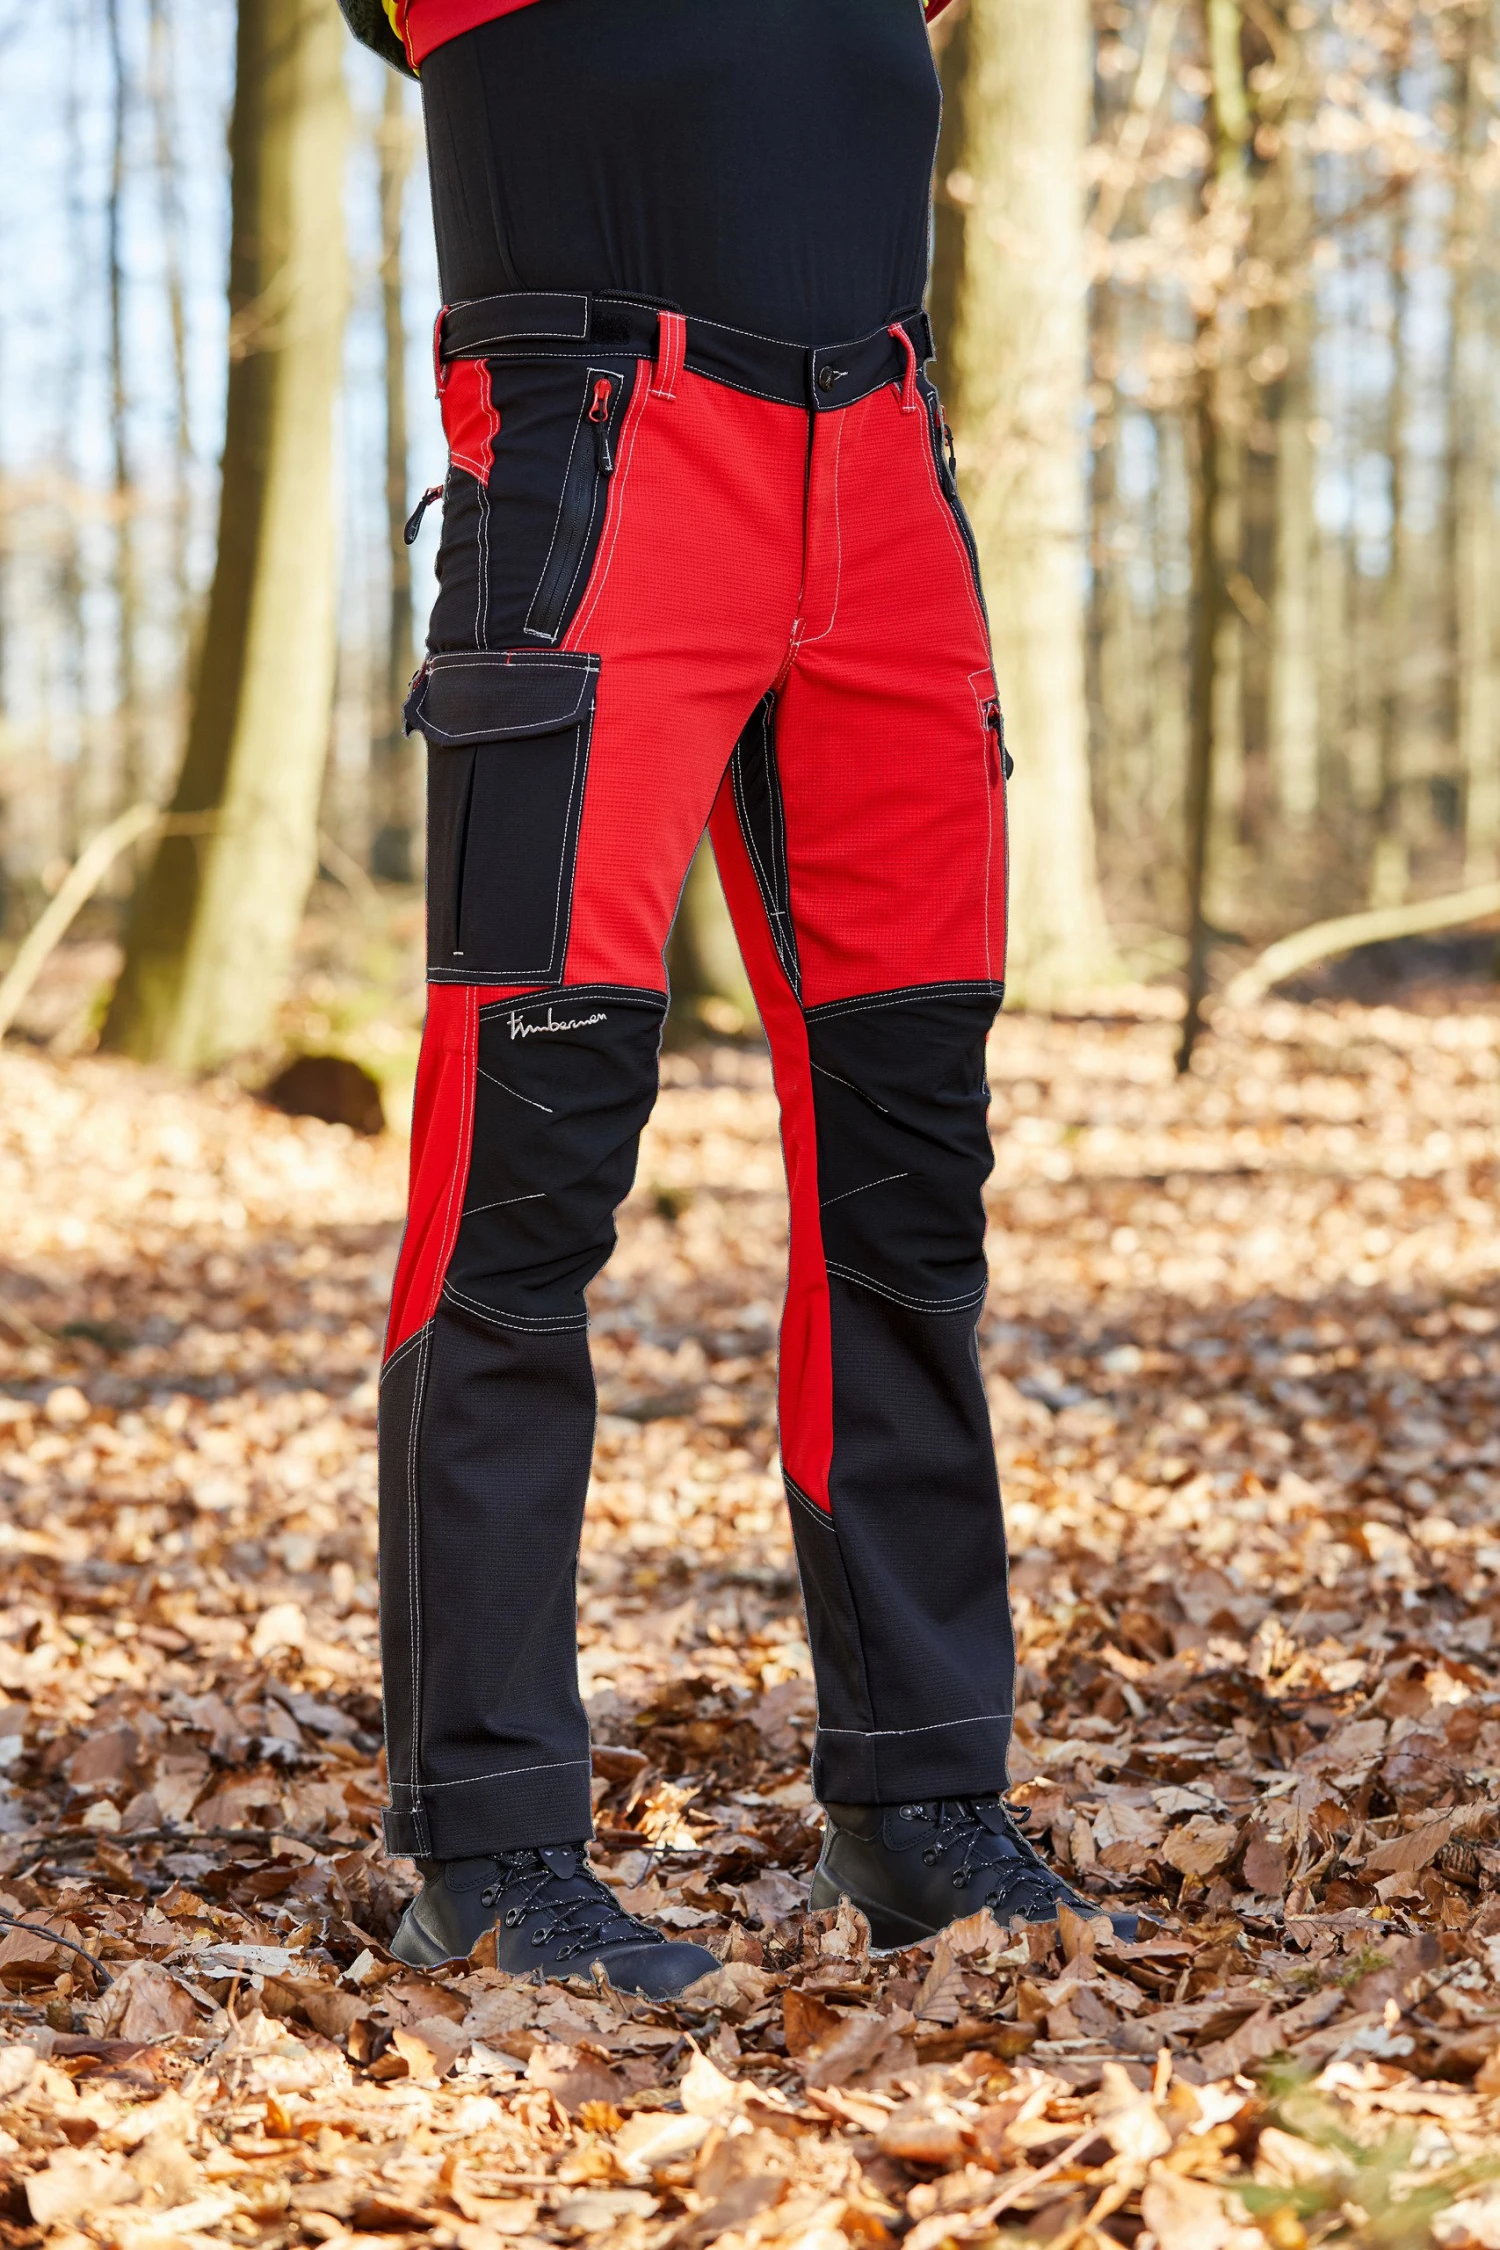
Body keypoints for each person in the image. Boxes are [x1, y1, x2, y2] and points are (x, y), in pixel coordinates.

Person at [339, 0, 1134, 1988]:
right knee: (522, 1175)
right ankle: (488, 1848)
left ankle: (924, 1801)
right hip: (600, 466)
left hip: (885, 483)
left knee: (909, 1183)